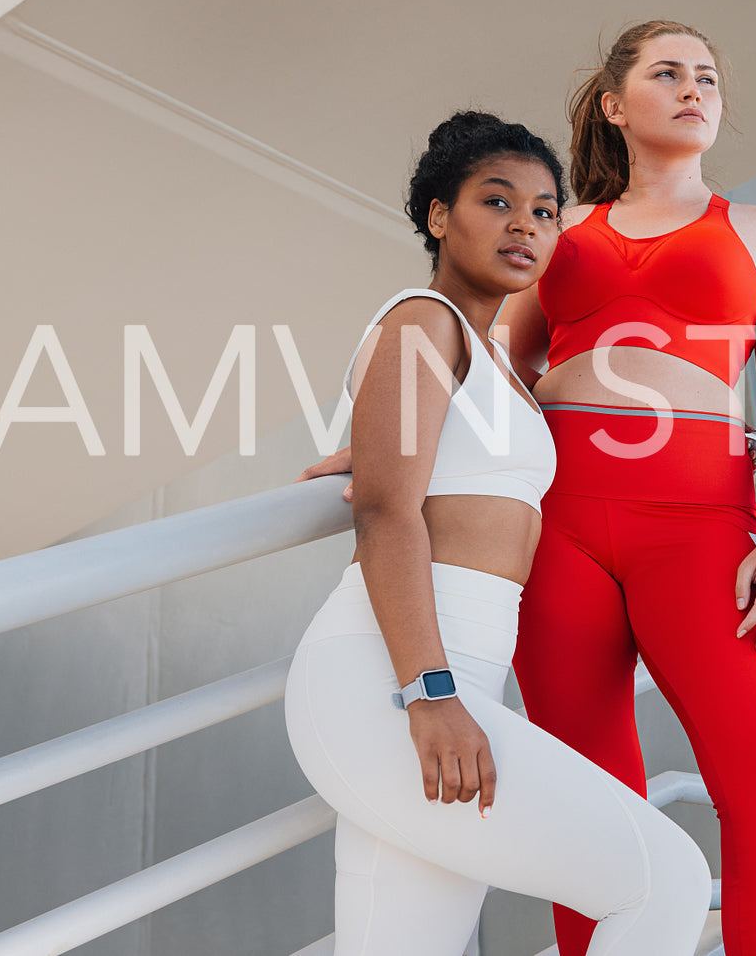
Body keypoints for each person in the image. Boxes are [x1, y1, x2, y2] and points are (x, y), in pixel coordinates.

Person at [304, 23, 756, 956]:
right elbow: (491, 365)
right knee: (593, 785)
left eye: (707, 76)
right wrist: (387, 440)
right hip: (561, 527)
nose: (695, 88)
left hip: (704, 522)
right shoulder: (559, 233)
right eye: (668, 73)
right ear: (616, 105)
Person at [284, 111, 712, 956]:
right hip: (393, 678)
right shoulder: (424, 319)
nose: (525, 224)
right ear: (439, 216)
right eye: (497, 200)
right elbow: (386, 512)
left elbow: (434, 466)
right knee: (665, 878)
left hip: (455, 675)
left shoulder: (489, 362)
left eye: (546, 210)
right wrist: (430, 693)